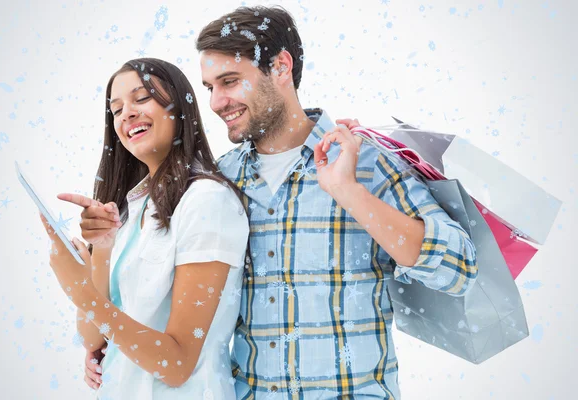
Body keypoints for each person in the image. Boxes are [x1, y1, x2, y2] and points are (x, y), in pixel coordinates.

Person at [84, 6, 479, 399]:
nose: (217, 102)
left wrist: (349, 193)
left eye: (230, 81)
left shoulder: (365, 162)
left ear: (281, 66)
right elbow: (181, 303)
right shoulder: (218, 184)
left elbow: (459, 269)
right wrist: (113, 351)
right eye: (209, 87)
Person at [39, 58, 249, 399]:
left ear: (180, 105)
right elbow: (94, 339)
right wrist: (102, 252)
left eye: (141, 98)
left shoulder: (207, 201)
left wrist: (78, 289)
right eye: (117, 109)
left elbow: (178, 364)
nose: (126, 114)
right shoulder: (133, 206)